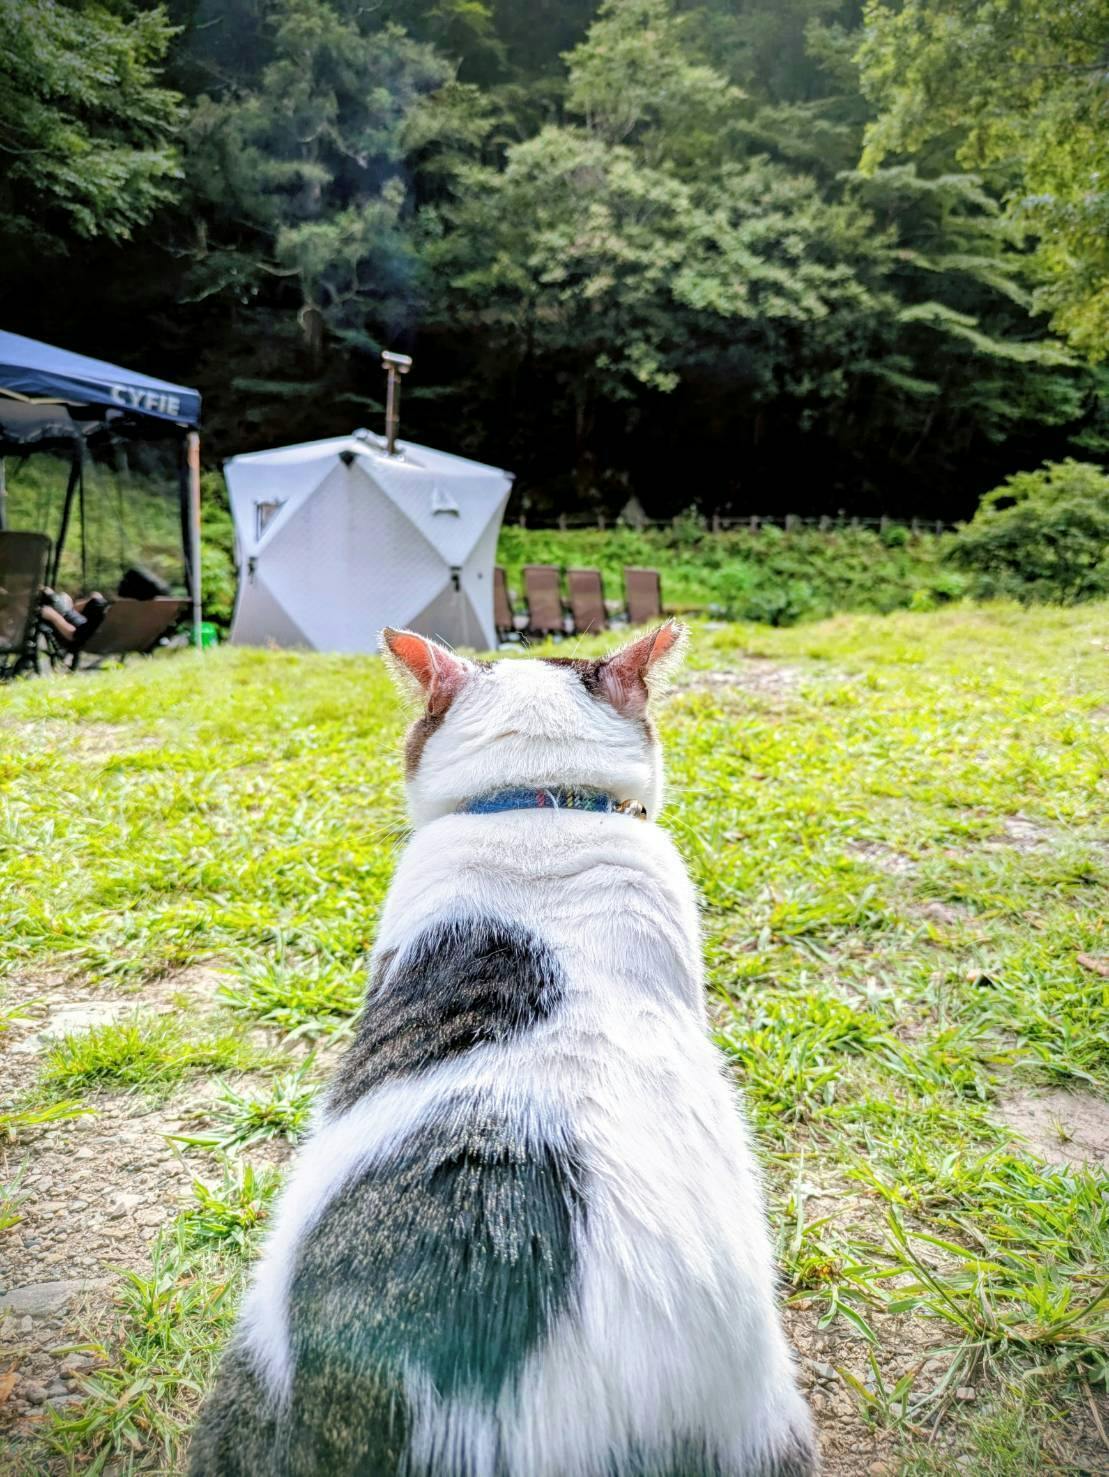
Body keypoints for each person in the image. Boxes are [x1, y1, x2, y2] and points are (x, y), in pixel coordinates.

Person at [38, 588, 109, 647]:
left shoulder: (105, 618)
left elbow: (73, 635)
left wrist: (53, 616)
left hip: (69, 634)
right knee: (95, 598)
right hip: (78, 622)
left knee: (51, 595)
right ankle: (67, 605)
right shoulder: (105, 610)